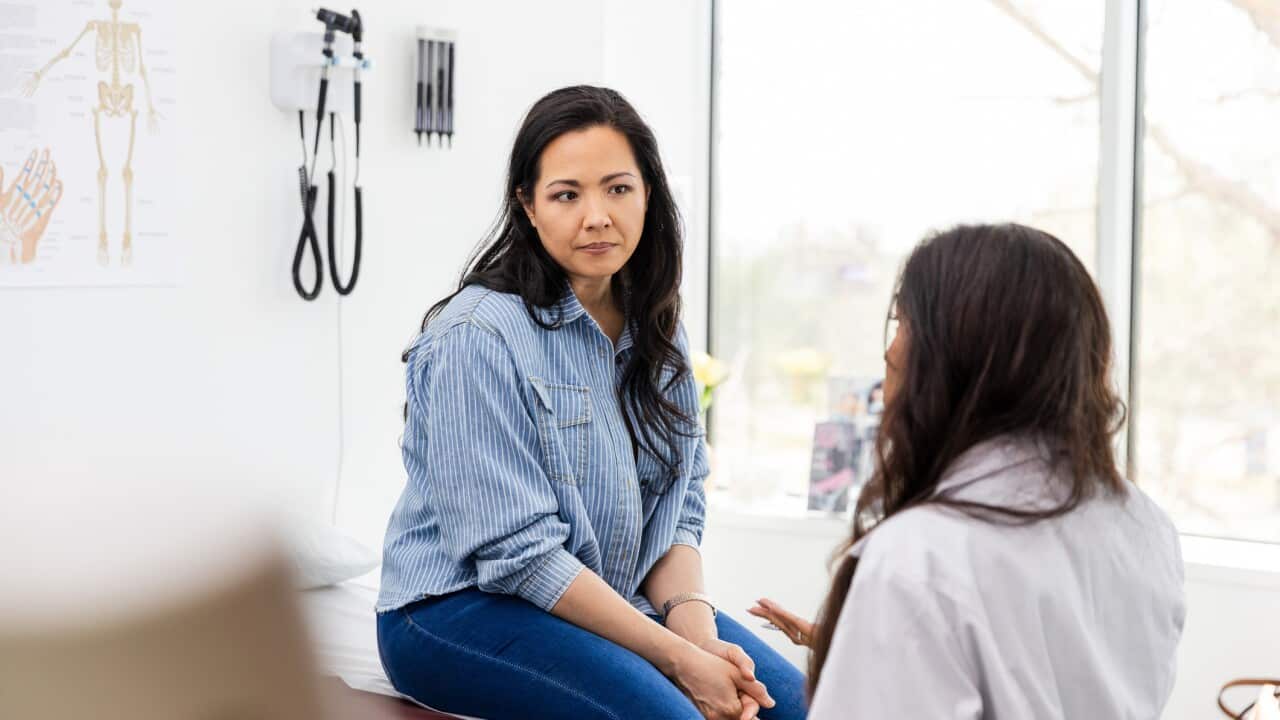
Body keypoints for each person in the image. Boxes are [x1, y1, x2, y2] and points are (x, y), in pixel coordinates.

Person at [376, 85, 807, 720]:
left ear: (648, 193)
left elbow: (678, 510)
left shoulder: (658, 327)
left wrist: (697, 634)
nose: (597, 215)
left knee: (798, 707)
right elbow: (519, 557)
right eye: (566, 194)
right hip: (454, 608)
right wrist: (678, 662)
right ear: (527, 205)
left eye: (618, 188)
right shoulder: (476, 337)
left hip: (608, 597)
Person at [751, 223, 1186, 718]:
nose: (889, 351)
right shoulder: (1146, 526)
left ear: (951, 356)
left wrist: (877, 637)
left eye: (902, 321)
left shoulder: (920, 556)